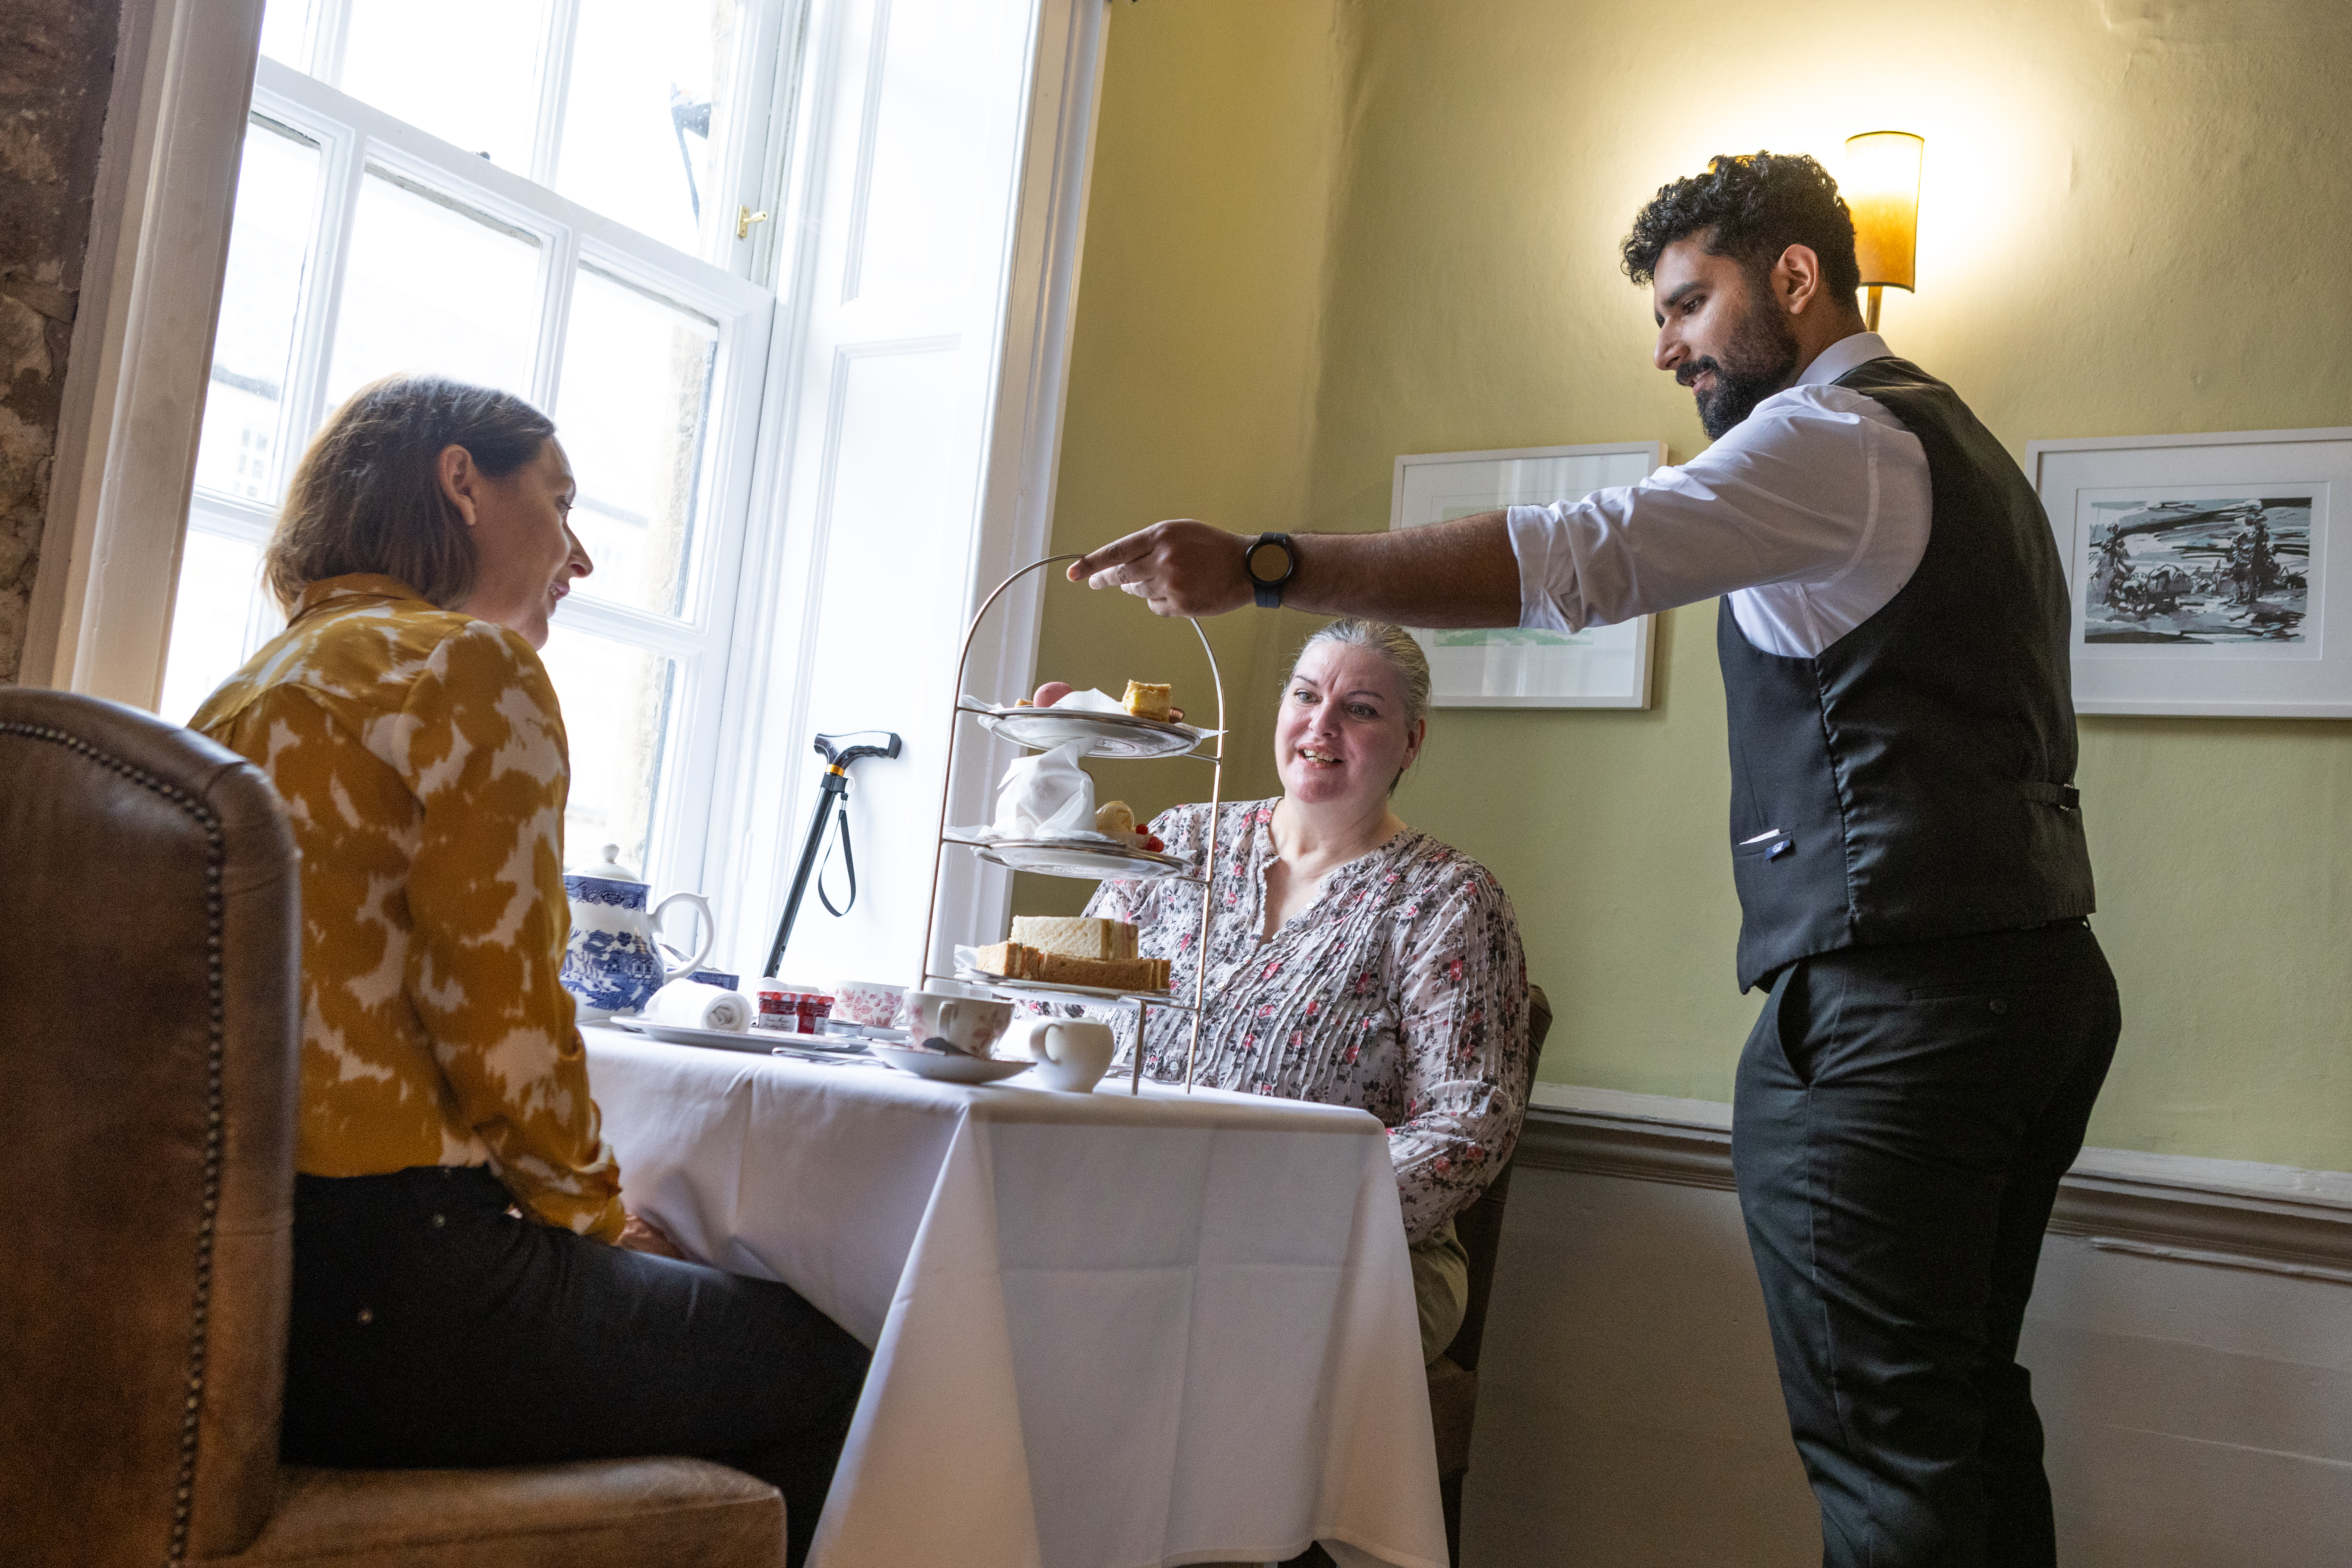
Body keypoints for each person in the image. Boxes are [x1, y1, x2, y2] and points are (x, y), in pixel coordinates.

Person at [1063, 152, 2120, 1568]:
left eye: (1691, 303)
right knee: (1962, 1418)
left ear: (1797, 278)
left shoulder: (1837, 439)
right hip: (2037, 980)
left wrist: (1266, 567)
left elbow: (1576, 557)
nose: (1669, 347)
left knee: (1888, 1443)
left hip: (1899, 1007)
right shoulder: (1963, 451)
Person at [191, 374, 867, 1566]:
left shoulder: (241, 695)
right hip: (403, 1295)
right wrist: (600, 1218)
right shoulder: (463, 671)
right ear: (463, 483)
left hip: (243, 1308)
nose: (582, 556)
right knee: (841, 1366)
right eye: (558, 501)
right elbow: (501, 1027)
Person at [1042, 619, 1532, 1364]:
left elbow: (1469, 1126)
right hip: (1125, 1219)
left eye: (1361, 709)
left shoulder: (1448, 899)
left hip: (1337, 1254)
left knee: (1190, 1335)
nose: (1322, 724)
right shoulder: (1178, 842)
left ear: (1412, 742)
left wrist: (1272, 1215)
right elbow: (1058, 1004)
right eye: (1305, 696)